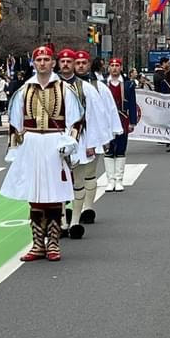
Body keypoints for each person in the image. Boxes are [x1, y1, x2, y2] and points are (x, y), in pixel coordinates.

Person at [1, 46, 83, 262]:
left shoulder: (66, 90)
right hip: (32, 144)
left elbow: (75, 120)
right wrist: (15, 149)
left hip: (55, 145)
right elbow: (15, 122)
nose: (43, 63)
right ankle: (38, 243)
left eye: (47, 59)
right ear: (34, 63)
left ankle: (53, 242)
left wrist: (70, 144)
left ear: (53, 63)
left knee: (55, 195)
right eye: (39, 60)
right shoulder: (24, 90)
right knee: (35, 196)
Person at [57, 49, 112, 239]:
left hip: (80, 140)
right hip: (56, 141)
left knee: (80, 179)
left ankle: (76, 221)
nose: (66, 64)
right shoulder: (51, 86)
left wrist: (95, 142)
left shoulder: (88, 88)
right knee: (59, 182)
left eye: (69, 61)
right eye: (62, 61)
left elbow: (97, 116)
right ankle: (62, 221)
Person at [103, 58, 138, 192]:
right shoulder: (103, 84)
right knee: (109, 149)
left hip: (122, 119)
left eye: (117, 65)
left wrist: (132, 122)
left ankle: (119, 180)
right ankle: (110, 180)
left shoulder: (128, 85)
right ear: (108, 68)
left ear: (121, 68)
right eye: (112, 65)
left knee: (121, 149)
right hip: (107, 121)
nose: (114, 68)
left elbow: (132, 104)